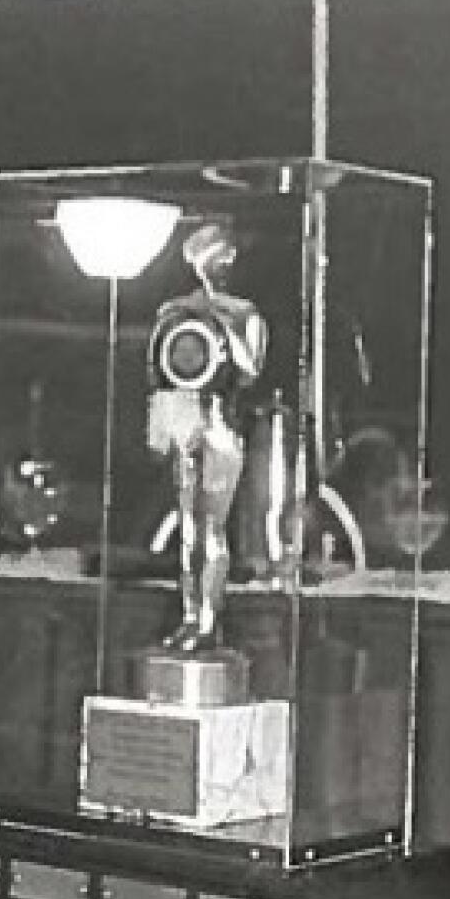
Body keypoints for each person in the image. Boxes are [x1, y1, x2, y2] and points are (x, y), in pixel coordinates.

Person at [145, 223, 267, 652]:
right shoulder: (172, 310)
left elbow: (251, 370)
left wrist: (220, 324)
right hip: (184, 423)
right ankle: (189, 616)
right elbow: (159, 370)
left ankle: (209, 621)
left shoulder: (244, 313)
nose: (212, 266)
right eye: (204, 256)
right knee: (188, 531)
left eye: (219, 256)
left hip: (221, 427)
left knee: (211, 528)